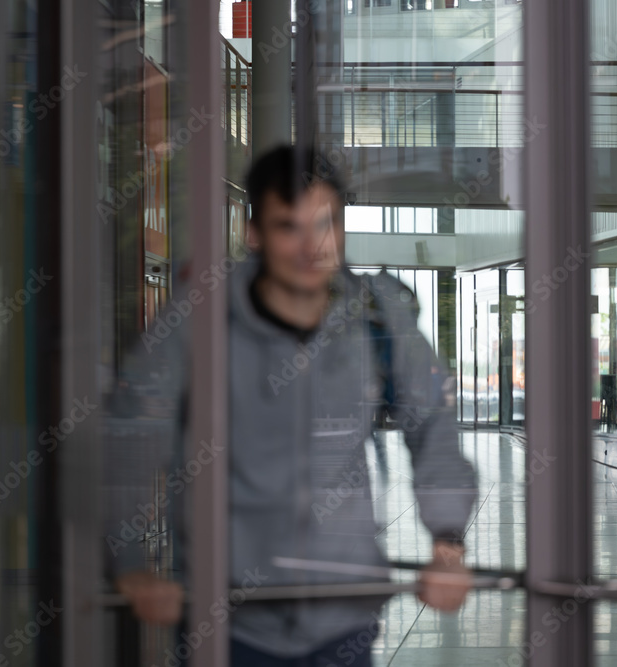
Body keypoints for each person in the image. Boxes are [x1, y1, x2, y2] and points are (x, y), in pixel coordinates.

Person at [107, 145, 478, 666]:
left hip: (343, 619)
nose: (312, 247)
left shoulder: (377, 317)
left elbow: (433, 426)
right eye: (289, 227)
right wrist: (131, 565)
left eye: (325, 224)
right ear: (253, 234)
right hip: (227, 623)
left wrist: (447, 543)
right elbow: (132, 433)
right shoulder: (197, 323)